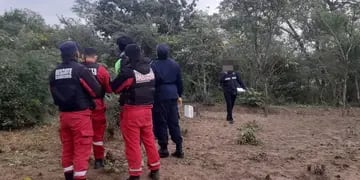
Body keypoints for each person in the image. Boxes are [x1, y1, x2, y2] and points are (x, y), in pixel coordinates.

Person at [49, 41, 102, 180]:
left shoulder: (54, 72)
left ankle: (68, 177)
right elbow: (96, 90)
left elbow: (53, 93)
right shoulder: (80, 70)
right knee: (81, 150)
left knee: (67, 148)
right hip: (80, 116)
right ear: (76, 53)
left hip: (63, 116)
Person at [111, 44, 160, 180]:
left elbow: (115, 88)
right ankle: (155, 169)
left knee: (132, 143)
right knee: (149, 140)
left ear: (127, 56)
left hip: (131, 111)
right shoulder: (150, 69)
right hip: (148, 110)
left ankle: (135, 174)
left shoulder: (129, 72)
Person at [81, 48, 112, 169]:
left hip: (80, 106)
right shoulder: (101, 70)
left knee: (82, 134)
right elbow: (109, 89)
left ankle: (82, 160)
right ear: (96, 57)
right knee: (98, 134)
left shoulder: (78, 69)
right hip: (97, 105)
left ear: (83, 56)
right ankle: (99, 160)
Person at [151, 44, 184, 159]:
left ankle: (164, 148)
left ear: (157, 53)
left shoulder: (153, 65)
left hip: (160, 95)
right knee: (174, 121)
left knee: (161, 122)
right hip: (173, 94)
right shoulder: (175, 64)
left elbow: (152, 82)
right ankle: (179, 148)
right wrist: (179, 94)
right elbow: (180, 81)